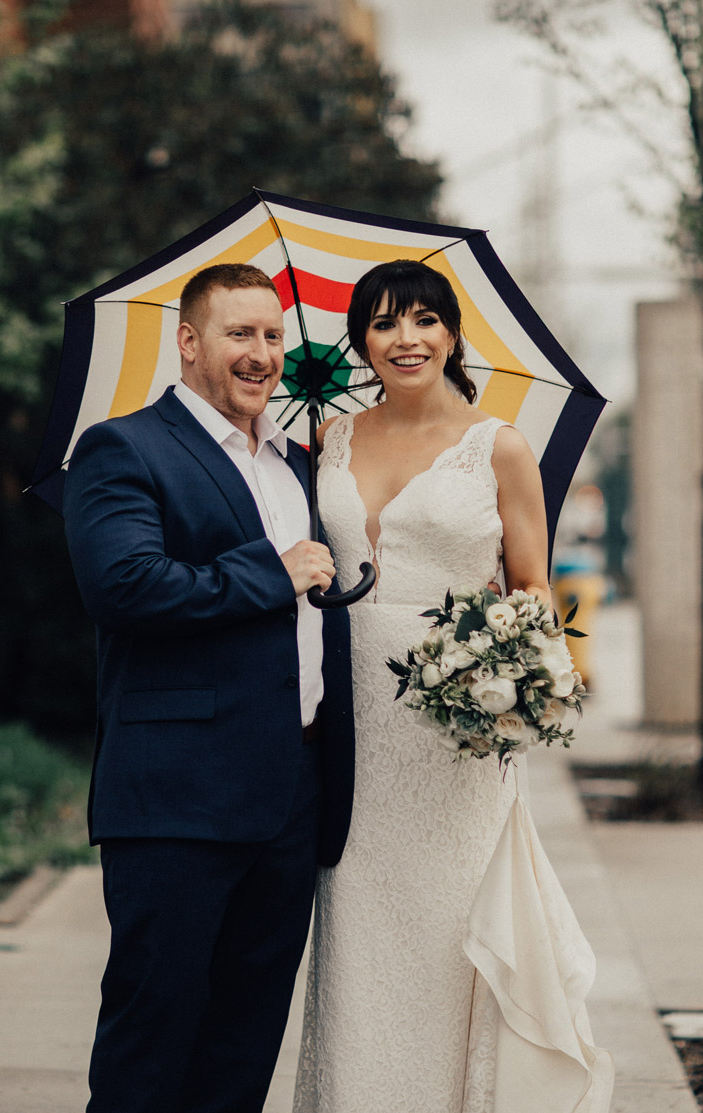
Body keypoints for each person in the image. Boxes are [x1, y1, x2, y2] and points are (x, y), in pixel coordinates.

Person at [293, 259, 613, 1112]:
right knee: (358, 924)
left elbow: (532, 589)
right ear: (361, 341)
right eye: (383, 323)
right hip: (349, 722)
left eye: (423, 319)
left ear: (451, 334)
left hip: (455, 733)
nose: (405, 338)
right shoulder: (331, 439)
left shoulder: (498, 447)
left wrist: (506, 677)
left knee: (451, 926)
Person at [63, 262, 355, 1113]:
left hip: (291, 793)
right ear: (188, 341)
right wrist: (272, 570)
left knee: (243, 1042)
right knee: (151, 1038)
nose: (261, 353)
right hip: (176, 796)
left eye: (272, 335)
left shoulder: (299, 463)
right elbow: (124, 586)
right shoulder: (123, 447)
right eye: (239, 334)